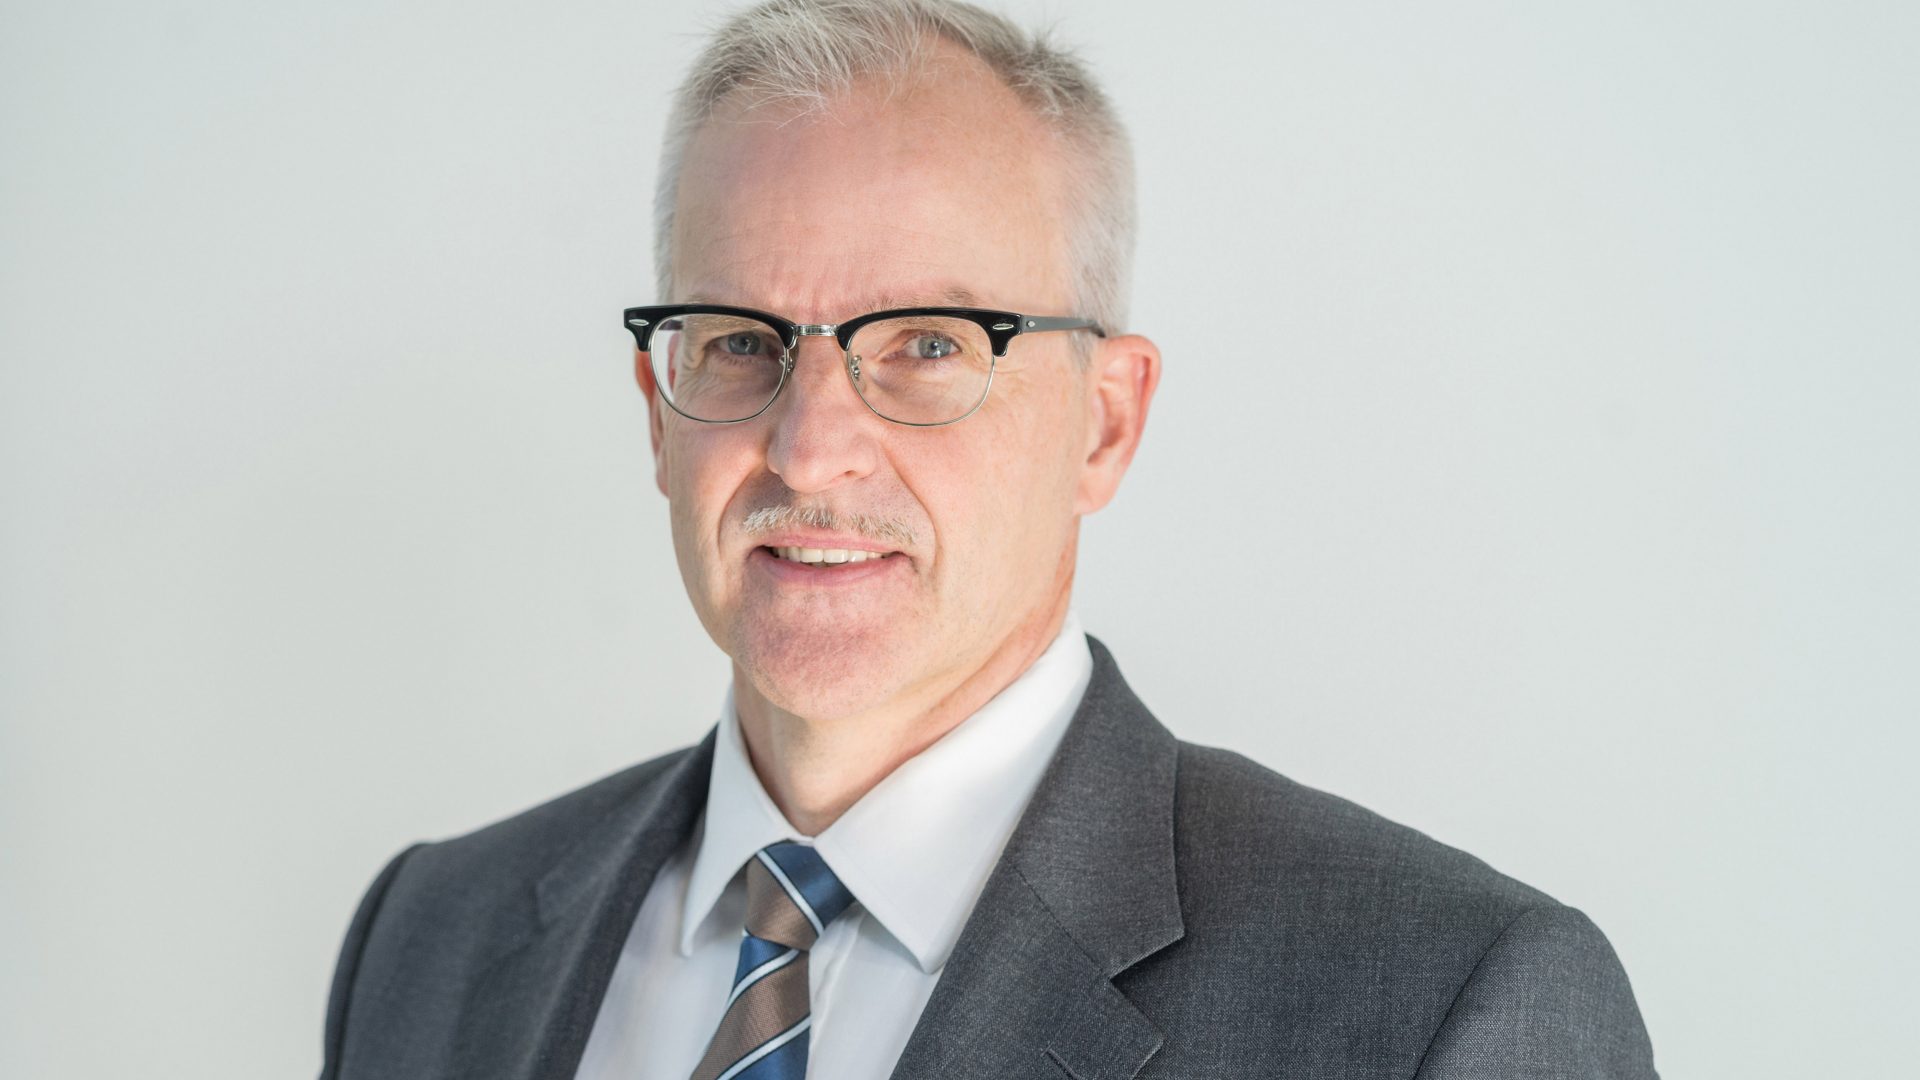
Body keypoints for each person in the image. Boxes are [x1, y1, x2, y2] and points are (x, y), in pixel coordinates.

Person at [320, 1, 1659, 1077]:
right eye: (738, 342)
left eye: (927, 345)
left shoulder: (1439, 1008)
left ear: (1105, 423)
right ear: (658, 415)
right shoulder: (431, 941)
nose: (809, 446)